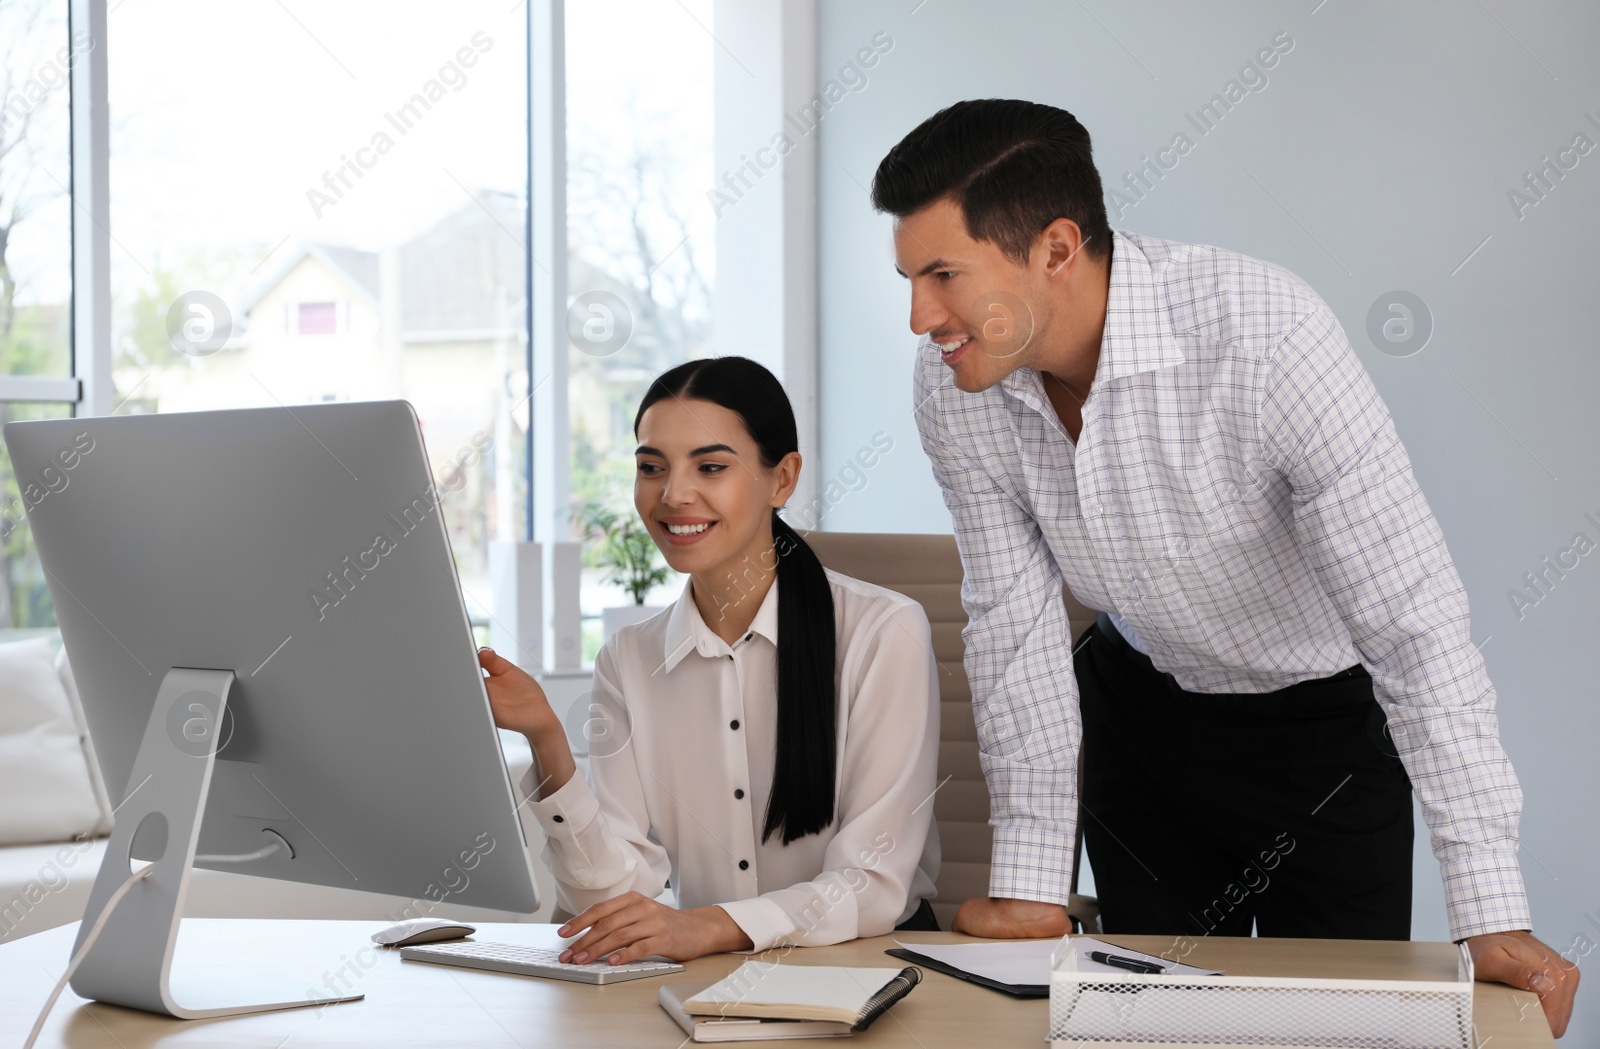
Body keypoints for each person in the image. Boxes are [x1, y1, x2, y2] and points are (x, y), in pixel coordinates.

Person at [870, 99, 1577, 1036]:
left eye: (942, 275)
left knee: (1336, 1031)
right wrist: (1033, 884)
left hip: (1323, 740)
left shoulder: (1265, 335)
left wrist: (1490, 910)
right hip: (1143, 722)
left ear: (1055, 248)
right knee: (1156, 1027)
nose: (921, 316)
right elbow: (1015, 626)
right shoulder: (953, 387)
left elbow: (1415, 626)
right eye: (909, 278)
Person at [478, 356, 941, 966]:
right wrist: (548, 742)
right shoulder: (628, 657)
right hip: (707, 982)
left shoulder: (882, 632)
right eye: (651, 468)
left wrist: (705, 927)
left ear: (783, 479)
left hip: (871, 969)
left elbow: (872, 885)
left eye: (712, 467)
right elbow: (615, 899)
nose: (673, 495)